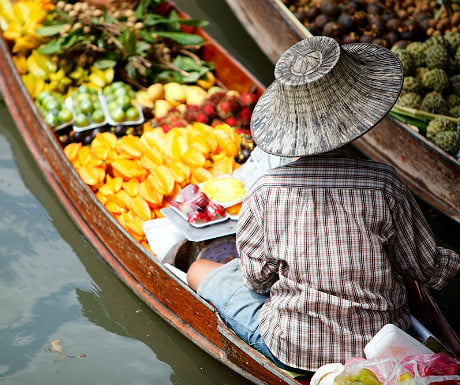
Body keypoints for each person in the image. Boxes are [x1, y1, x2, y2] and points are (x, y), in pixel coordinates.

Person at [186, 36, 460, 373]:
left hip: (294, 350)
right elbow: (426, 269)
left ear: (288, 126)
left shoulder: (265, 191)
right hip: (380, 346)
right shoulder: (384, 184)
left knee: (199, 270)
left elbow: (256, 280)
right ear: (354, 112)